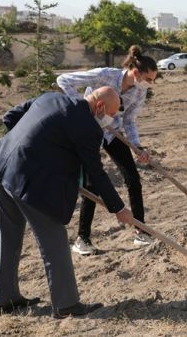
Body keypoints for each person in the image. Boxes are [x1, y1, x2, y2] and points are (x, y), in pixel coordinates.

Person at [0, 87, 134, 318]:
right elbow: (96, 173)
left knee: (9, 239)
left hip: (2, 170)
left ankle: (7, 300)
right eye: (112, 113)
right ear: (99, 107)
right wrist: (119, 208)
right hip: (30, 183)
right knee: (54, 241)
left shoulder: (50, 97)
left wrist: (28, 148)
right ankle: (66, 305)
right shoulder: (87, 127)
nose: (111, 119)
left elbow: (10, 117)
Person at [57, 45, 157, 255]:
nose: (150, 84)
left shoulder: (139, 93)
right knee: (93, 184)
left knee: (133, 178)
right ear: (136, 73)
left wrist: (137, 146)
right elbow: (63, 80)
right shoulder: (105, 75)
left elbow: (129, 121)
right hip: (89, 131)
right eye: (148, 79)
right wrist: (82, 108)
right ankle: (82, 239)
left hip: (113, 133)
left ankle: (141, 231)